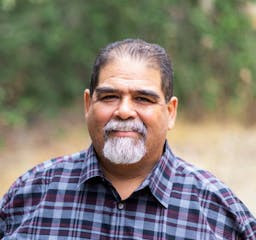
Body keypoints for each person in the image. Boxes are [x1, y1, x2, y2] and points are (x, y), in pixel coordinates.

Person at [0, 39, 255, 239]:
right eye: (109, 97)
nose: (123, 111)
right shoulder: (30, 195)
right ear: (88, 104)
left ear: (170, 112)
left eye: (143, 99)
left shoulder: (220, 215)